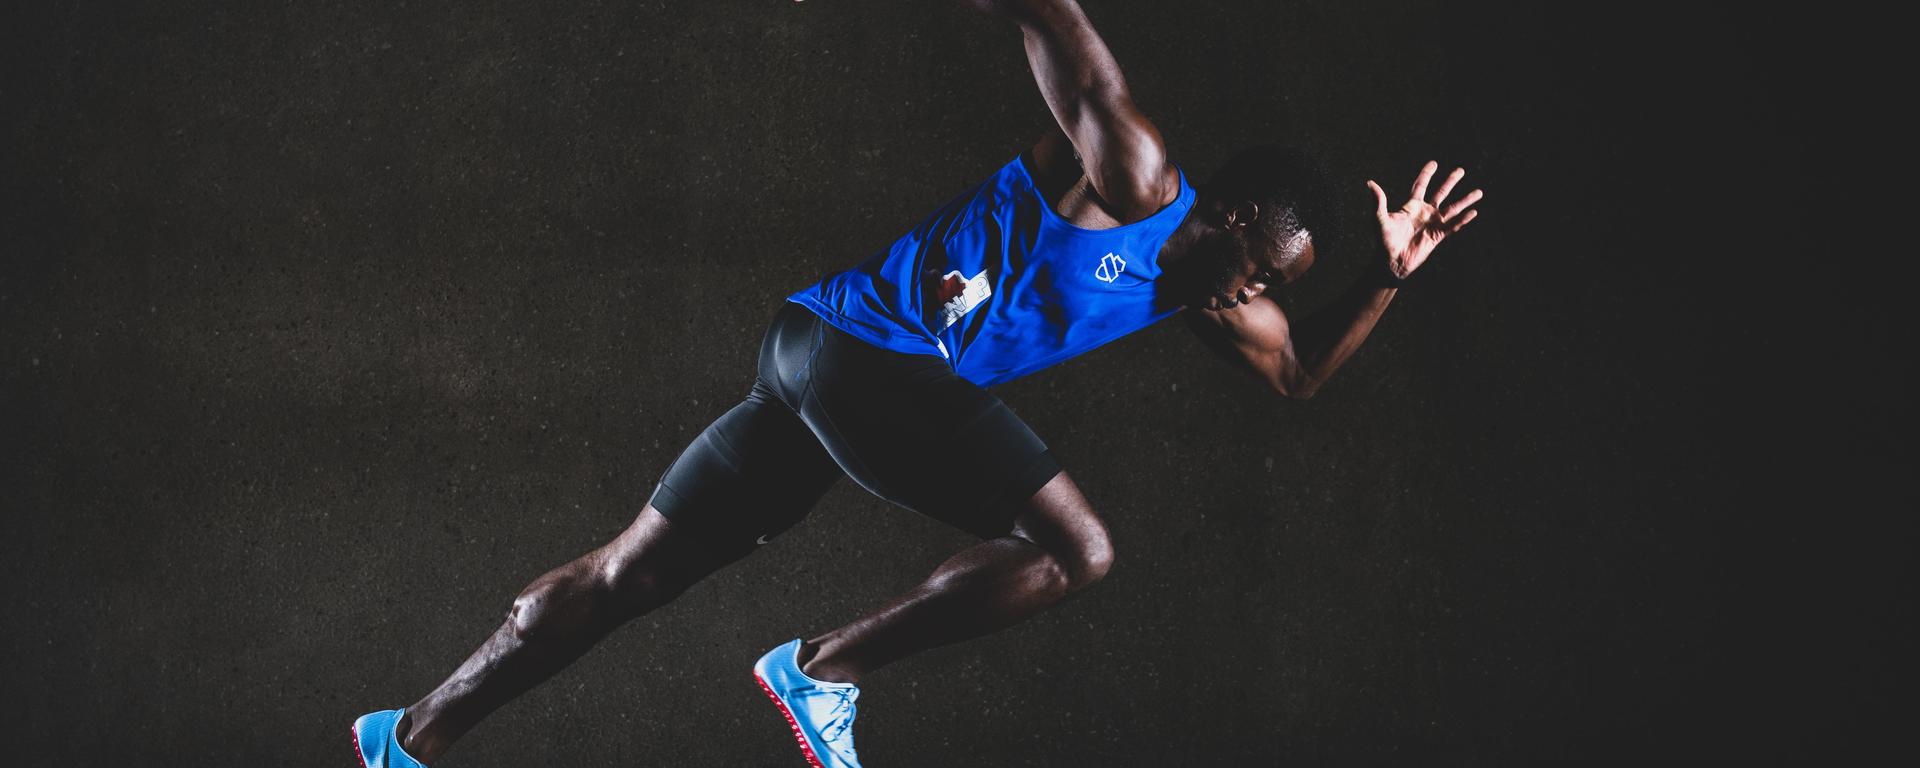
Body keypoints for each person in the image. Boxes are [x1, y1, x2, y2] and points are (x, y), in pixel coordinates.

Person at [350, 0, 1484, 765]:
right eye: (1261, 273)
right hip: (864, 359)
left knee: (626, 574)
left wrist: (1388, 279)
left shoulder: (1203, 298)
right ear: (1232, 221)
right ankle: (819, 670)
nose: (1254, 300)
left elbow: (1295, 375)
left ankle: (407, 736)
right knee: (1077, 551)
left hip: (812, 366)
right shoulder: (1135, 174)